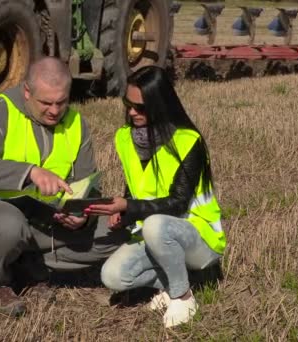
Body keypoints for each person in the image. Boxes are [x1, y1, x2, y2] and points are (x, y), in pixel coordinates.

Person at [0, 57, 129, 316]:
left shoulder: (76, 123)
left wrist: (82, 213)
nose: (55, 110)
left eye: (61, 102)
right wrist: (29, 173)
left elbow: (89, 184)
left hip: (46, 218)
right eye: (46, 103)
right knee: (9, 226)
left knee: (119, 230)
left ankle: (27, 265)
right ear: (27, 91)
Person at [86, 65, 227, 328]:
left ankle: (183, 296)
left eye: (139, 107)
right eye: (128, 104)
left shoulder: (188, 141)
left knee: (155, 224)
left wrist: (130, 205)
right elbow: (138, 186)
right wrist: (125, 213)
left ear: (158, 104)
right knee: (113, 277)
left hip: (199, 236)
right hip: (156, 233)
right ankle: (178, 279)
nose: (131, 112)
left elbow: (178, 203)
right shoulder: (124, 138)